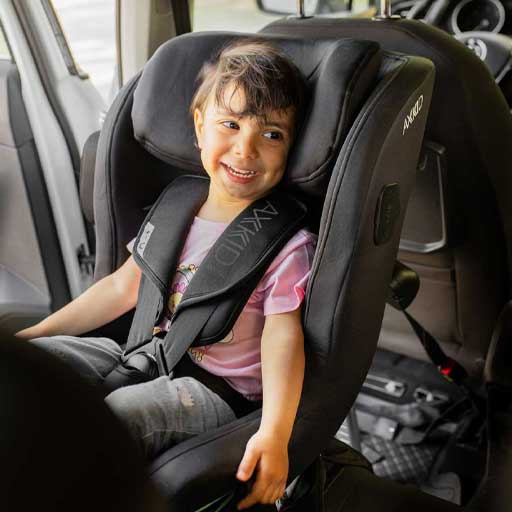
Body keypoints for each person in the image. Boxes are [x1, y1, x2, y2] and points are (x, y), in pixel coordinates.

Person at [17, 39, 316, 510]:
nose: (246, 149)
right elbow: (122, 287)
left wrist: (275, 434)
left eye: (272, 134)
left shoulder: (287, 243)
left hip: (220, 391)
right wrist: (32, 336)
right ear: (199, 126)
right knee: (38, 366)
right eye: (230, 124)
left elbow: (283, 338)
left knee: (117, 416)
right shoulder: (178, 207)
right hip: (145, 353)